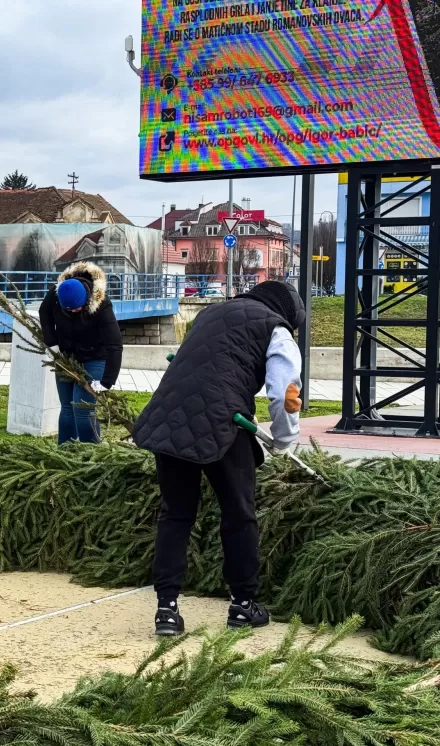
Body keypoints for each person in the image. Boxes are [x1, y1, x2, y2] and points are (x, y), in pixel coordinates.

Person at [132, 280, 305, 636]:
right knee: (239, 514)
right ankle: (243, 605)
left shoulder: (211, 314)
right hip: (223, 425)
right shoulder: (277, 330)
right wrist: (285, 439)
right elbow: (284, 393)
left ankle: (166, 610)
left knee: (175, 514)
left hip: (170, 417)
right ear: (289, 314)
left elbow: (209, 368)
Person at [39, 261, 124, 444]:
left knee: (83, 409)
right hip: (65, 356)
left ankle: (90, 455)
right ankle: (65, 454)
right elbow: (44, 313)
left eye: (76, 308)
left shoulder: (102, 305)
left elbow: (115, 344)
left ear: (85, 299)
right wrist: (51, 342)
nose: (73, 312)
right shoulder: (56, 293)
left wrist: (108, 380)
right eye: (67, 310)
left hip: (94, 358)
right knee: (67, 408)